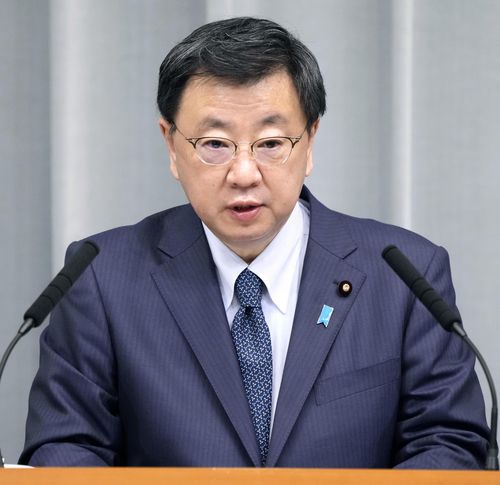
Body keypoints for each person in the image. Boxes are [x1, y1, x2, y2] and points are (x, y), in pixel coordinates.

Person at [20, 17, 488, 468]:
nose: (244, 174)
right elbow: (65, 447)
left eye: (270, 143)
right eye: (214, 144)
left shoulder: (405, 276)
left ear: (309, 142)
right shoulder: (102, 278)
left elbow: (447, 443)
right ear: (171, 145)